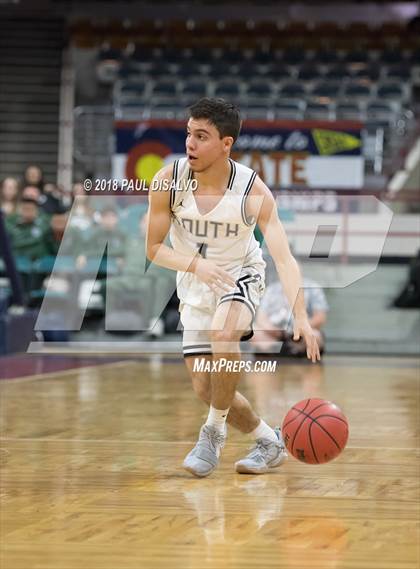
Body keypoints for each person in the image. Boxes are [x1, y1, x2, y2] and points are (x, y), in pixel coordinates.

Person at [147, 97, 320, 478]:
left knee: (225, 334)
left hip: (242, 273)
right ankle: (269, 441)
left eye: (202, 136)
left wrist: (302, 316)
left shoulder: (252, 190)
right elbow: (154, 249)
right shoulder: (167, 180)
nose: (190, 144)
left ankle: (212, 434)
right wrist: (196, 264)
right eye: (189, 134)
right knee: (206, 387)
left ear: (226, 143)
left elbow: (284, 258)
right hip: (195, 280)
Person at [251, 277, 328, 356]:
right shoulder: (271, 289)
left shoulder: (312, 288)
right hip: (276, 334)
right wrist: (273, 330)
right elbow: (260, 318)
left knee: (315, 336)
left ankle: (297, 350)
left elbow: (320, 318)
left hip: (302, 333)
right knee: (255, 332)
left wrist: (300, 327)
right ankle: (280, 349)